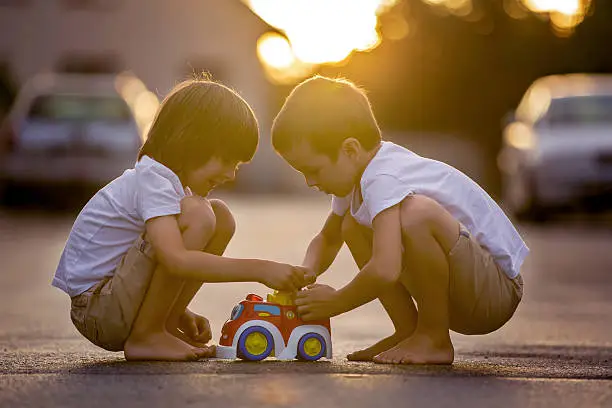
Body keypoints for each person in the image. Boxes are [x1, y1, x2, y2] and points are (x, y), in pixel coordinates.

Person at [271, 76, 528, 365]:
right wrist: (305, 273)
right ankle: (410, 330)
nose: (309, 182)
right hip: (464, 291)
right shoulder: (356, 177)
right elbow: (329, 238)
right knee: (351, 226)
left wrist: (337, 302)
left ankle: (433, 338)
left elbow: (385, 269)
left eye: (313, 170)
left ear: (350, 150)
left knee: (416, 215)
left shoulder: (383, 176)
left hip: (495, 292)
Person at [52, 78, 309, 361]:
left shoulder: (168, 185)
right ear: (192, 141)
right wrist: (261, 269)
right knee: (200, 213)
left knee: (220, 215)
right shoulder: (154, 180)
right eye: (226, 160)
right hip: (97, 309)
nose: (230, 174)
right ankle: (147, 335)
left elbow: (151, 262)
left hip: (113, 300)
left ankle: (160, 326)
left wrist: (178, 312)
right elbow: (175, 258)